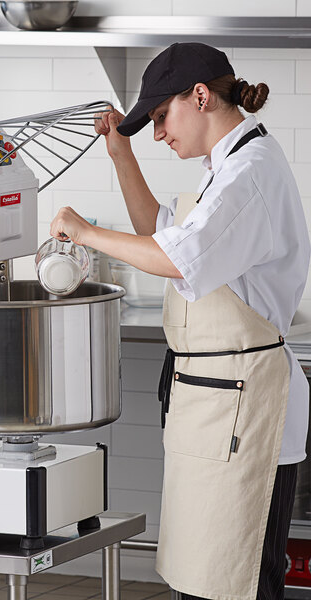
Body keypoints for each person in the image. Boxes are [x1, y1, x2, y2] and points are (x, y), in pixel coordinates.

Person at [49, 42, 311, 600]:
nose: (159, 134)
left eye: (162, 117)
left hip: (247, 414)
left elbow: (176, 258)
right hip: (218, 407)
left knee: (238, 584)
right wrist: (121, 154)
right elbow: (161, 235)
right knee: (202, 582)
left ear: (200, 96)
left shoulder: (248, 174)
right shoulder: (225, 167)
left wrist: (87, 232)